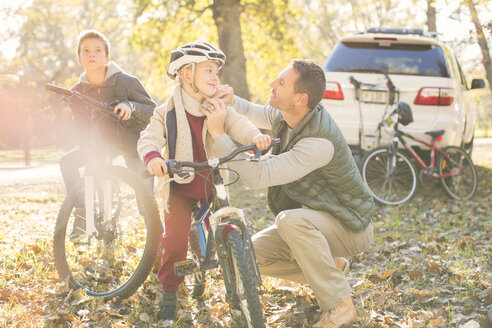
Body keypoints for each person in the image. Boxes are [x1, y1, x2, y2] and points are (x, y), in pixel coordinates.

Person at [206, 59, 375, 327]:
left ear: (300, 99)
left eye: (280, 83)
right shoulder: (291, 118)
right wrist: (232, 100)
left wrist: (218, 136)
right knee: (246, 258)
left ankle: (340, 305)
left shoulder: (318, 142)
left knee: (289, 220)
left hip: (349, 225)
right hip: (316, 218)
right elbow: (257, 111)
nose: (271, 84)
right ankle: (332, 269)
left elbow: (260, 176)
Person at [136, 41, 270, 322]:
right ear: (186, 75)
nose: (214, 77)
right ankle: (170, 292)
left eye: (216, 72)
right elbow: (150, 136)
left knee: (222, 228)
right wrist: (152, 157)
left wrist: (255, 137)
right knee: (174, 243)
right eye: (207, 70)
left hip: (211, 179)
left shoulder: (216, 106)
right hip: (181, 183)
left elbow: (239, 125)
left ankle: (235, 276)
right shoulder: (167, 111)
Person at [59, 30, 156, 240]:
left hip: (132, 143)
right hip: (100, 145)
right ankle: (84, 213)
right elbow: (81, 127)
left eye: (97, 50)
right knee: (67, 162)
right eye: (86, 51)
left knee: (146, 198)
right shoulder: (77, 91)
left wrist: (131, 106)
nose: (91, 54)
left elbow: (152, 110)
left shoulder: (126, 82)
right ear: (79, 58)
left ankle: (157, 244)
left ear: (107, 57)